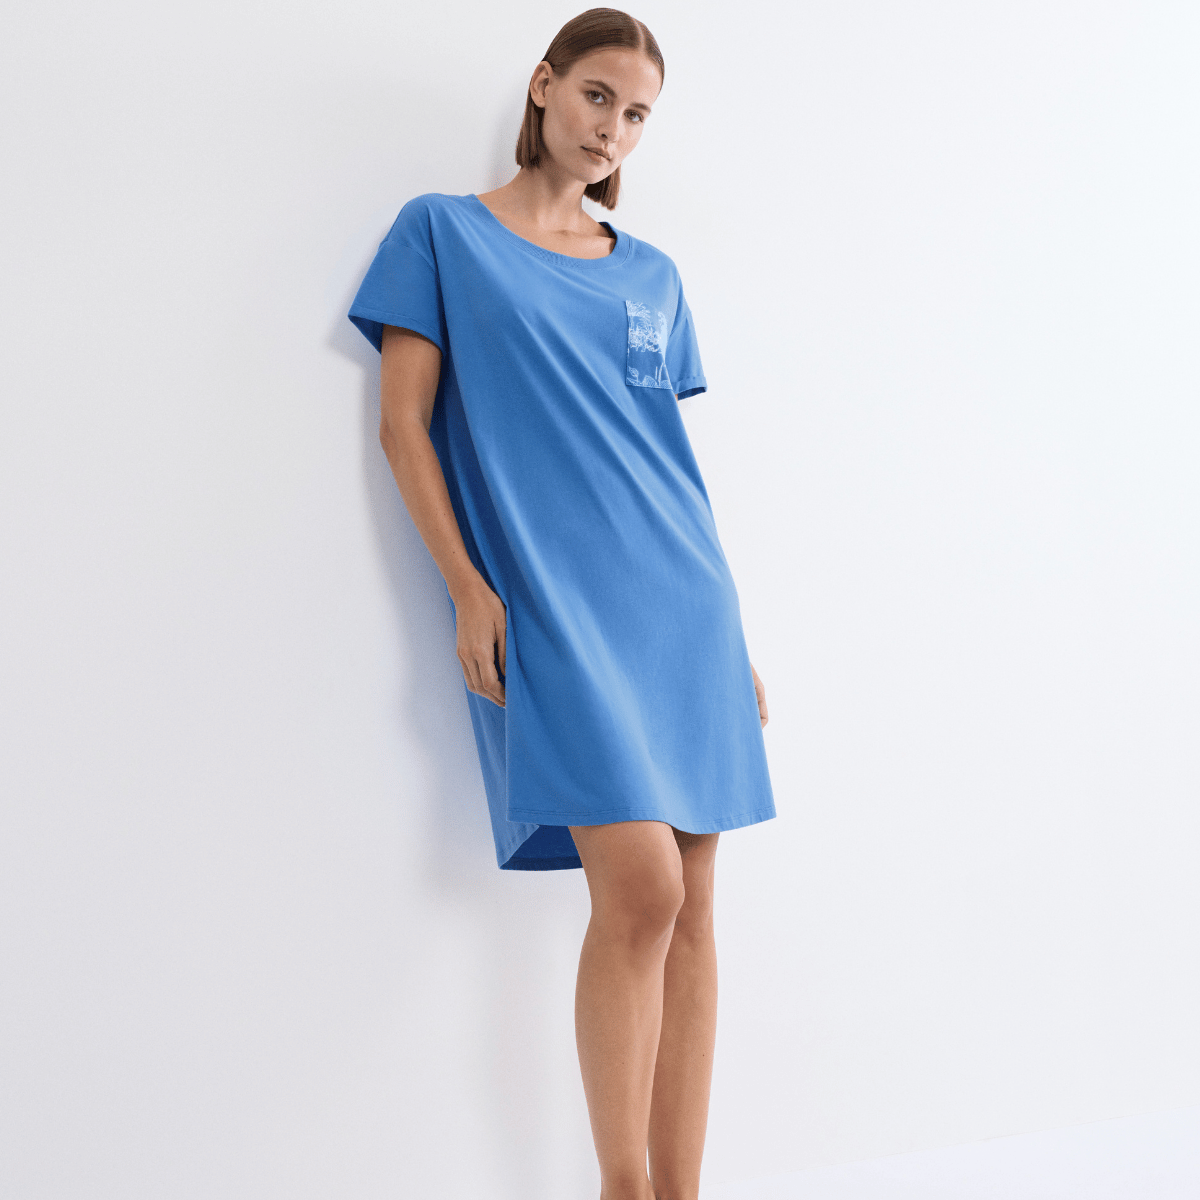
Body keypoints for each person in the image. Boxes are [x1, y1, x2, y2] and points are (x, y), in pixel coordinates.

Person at [348, 8, 776, 1198]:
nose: (611, 129)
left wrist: (733, 635)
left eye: (635, 115)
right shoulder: (443, 233)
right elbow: (402, 427)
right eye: (596, 97)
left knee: (694, 911)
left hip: (684, 610)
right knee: (642, 890)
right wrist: (466, 586)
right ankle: (621, 1187)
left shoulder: (653, 276)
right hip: (554, 607)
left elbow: (666, 471)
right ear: (543, 86)